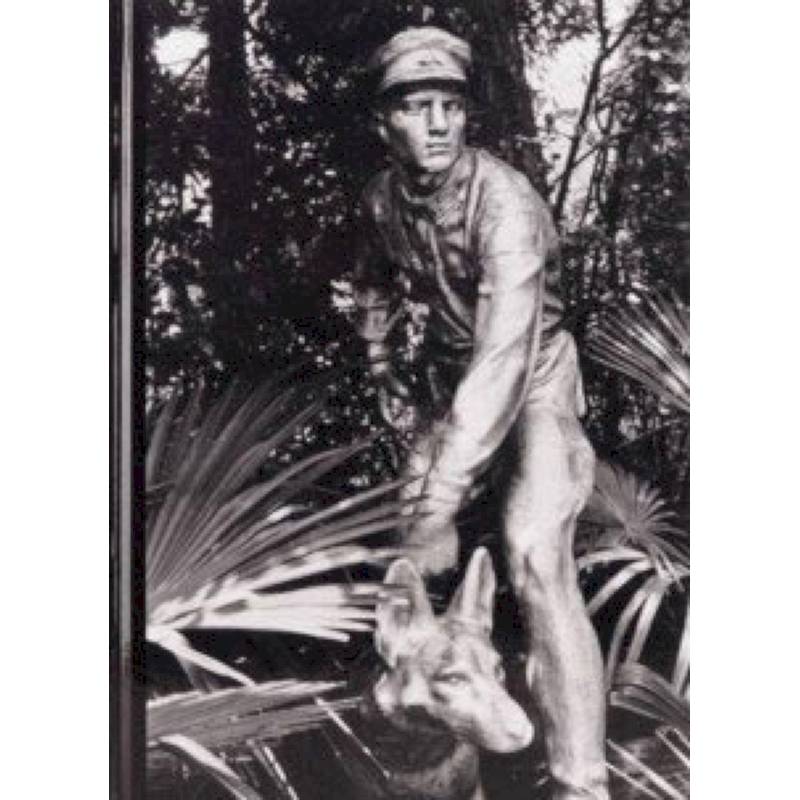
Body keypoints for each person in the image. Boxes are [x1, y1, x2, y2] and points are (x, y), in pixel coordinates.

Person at [352, 26, 609, 800]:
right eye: (416, 107)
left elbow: (504, 356)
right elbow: (373, 281)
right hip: (448, 386)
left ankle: (581, 781)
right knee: (409, 567)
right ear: (384, 122)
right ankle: (434, 767)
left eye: (451, 106)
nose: (438, 124)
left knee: (534, 556)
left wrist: (442, 496)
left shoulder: (506, 203)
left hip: (532, 382)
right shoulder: (382, 198)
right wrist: (382, 362)